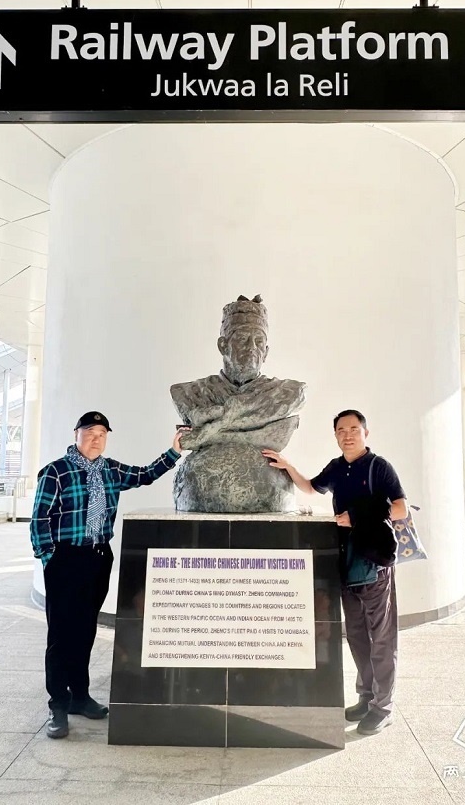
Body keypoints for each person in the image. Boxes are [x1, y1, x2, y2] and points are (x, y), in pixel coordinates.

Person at [30, 410, 186, 739]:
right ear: (76, 434)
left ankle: (80, 696)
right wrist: (48, 558)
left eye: (101, 433)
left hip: (98, 557)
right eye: (89, 432)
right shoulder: (56, 472)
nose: (96, 438)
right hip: (65, 559)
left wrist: (174, 451)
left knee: (86, 629)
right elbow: (40, 518)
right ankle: (58, 705)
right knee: (61, 635)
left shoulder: (111, 469)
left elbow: (145, 474)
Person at [262, 409, 407, 735]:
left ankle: (383, 707)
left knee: (381, 639)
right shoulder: (337, 468)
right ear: (336, 435)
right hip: (346, 563)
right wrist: (288, 466)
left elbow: (400, 508)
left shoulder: (379, 467)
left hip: (374, 564)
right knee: (357, 636)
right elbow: (312, 488)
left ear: (365, 433)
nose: (347, 434)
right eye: (341, 430)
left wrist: (359, 517)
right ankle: (366, 697)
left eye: (354, 428)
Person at [171, 295, 305, 512]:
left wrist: (207, 431)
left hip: (271, 497)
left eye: (259, 342)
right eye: (242, 339)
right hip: (199, 495)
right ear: (223, 345)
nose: (252, 348)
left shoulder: (286, 393)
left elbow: (192, 439)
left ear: (266, 352)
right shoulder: (190, 394)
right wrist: (257, 429)